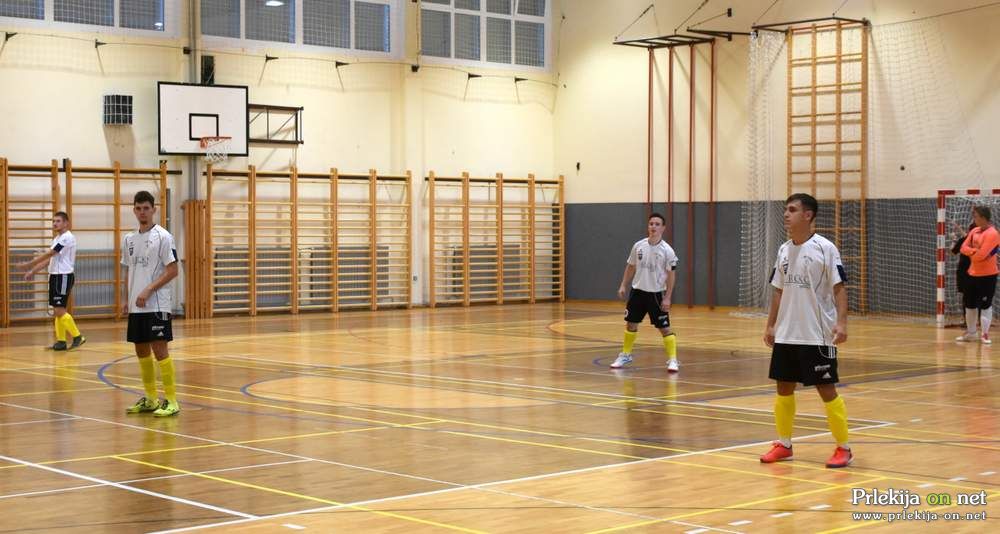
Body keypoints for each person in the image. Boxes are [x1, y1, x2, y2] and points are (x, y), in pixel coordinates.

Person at [760, 193, 852, 468]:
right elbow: (778, 290)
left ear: (808, 215)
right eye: (786, 209)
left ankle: (844, 448)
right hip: (787, 333)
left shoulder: (825, 248)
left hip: (817, 334)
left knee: (826, 388)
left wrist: (842, 322)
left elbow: (839, 288)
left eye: (792, 210)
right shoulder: (783, 250)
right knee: (783, 388)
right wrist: (771, 324)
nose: (786, 214)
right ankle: (784, 444)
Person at [122, 191, 180, 417]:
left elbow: (173, 271)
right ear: (134, 210)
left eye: (146, 208)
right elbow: (128, 270)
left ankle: (172, 401)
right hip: (136, 306)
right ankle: (151, 399)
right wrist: (125, 299)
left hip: (156, 304)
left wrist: (148, 289)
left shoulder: (164, 237)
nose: (142, 212)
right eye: (138, 208)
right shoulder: (128, 239)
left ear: (154, 210)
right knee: (140, 350)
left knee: (160, 350)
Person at [610, 212, 679, 372]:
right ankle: (626, 354)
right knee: (631, 324)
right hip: (637, 292)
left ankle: (673, 359)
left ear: (663, 228)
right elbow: (631, 266)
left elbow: (671, 275)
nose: (653, 226)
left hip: (656, 294)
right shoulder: (638, 246)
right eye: (651, 224)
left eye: (657, 224)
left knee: (664, 328)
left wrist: (667, 297)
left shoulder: (667, 251)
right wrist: (623, 285)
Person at [17, 212, 85, 350]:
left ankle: (78, 337)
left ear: (66, 223)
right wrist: (33, 271)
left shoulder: (67, 238)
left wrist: (29, 264)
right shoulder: (57, 238)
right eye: (53, 221)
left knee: (60, 310)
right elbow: (50, 259)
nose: (55, 223)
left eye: (58, 221)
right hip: (55, 276)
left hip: (63, 276)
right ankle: (61, 341)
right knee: (57, 310)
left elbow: (50, 253)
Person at [956, 205, 999, 345]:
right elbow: (963, 248)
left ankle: (985, 334)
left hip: (987, 276)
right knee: (969, 304)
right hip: (972, 274)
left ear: (983, 218)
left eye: (975, 216)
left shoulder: (992, 234)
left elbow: (982, 255)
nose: (973, 218)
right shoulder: (974, 231)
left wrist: (972, 252)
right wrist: (974, 251)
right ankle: (971, 333)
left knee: (985, 305)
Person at [950, 222, 976, 330]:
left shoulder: (965, 240)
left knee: (967, 297)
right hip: (975, 272)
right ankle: (974, 321)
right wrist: (959, 230)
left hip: (965, 273)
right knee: (975, 296)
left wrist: (953, 239)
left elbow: (953, 251)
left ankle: (968, 321)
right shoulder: (979, 240)